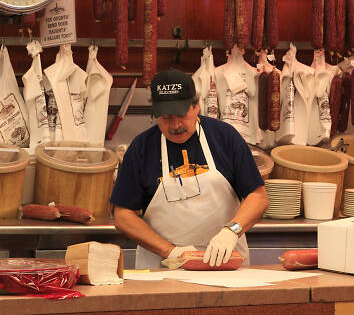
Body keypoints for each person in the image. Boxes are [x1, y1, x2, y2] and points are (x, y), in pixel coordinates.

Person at [110, 69, 269, 269]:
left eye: (181, 115)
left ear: (196, 106)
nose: (176, 125)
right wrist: (171, 251)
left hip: (226, 265)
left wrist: (232, 231)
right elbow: (123, 215)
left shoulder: (225, 137)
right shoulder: (141, 148)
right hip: (163, 267)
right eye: (166, 118)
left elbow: (258, 196)